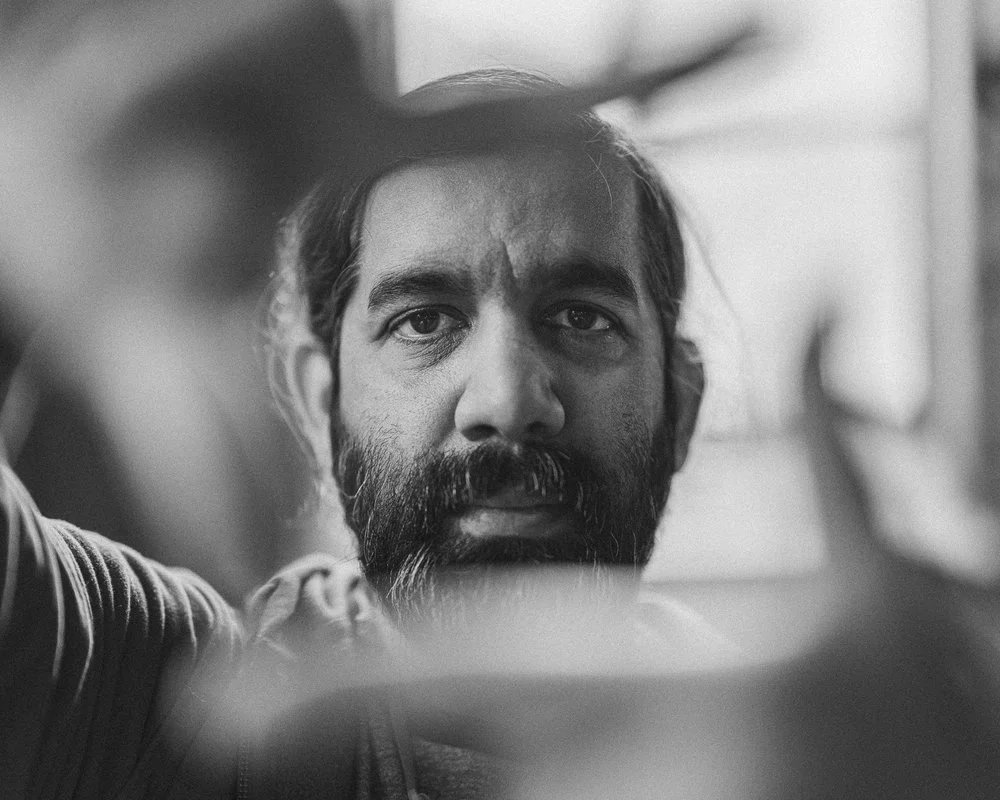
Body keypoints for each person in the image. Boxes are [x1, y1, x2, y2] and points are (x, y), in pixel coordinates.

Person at [0, 69, 713, 799]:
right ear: (318, 404)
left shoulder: (802, 745)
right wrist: (24, 248)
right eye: (424, 320)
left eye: (582, 317)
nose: (507, 401)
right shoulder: (165, 711)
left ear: (680, 405)